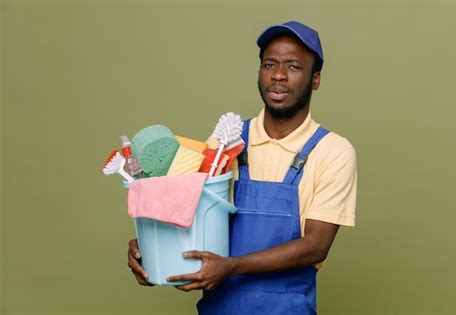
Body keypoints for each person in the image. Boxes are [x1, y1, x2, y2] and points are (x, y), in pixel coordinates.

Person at [127, 21, 357, 315]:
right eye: (269, 64)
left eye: (294, 67)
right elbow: (190, 217)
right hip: (219, 307)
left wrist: (231, 266)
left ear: (316, 79)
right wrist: (151, 247)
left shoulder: (333, 152)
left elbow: (316, 245)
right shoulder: (226, 144)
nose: (278, 75)